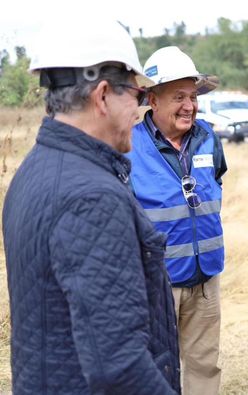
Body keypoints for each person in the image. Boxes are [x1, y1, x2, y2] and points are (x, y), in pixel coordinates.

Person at [2, 19, 180, 394]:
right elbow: (121, 366)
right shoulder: (92, 197)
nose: (140, 109)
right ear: (102, 95)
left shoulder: (35, 169)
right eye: (137, 95)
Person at [126, 46, 226, 395]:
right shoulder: (128, 147)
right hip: (156, 285)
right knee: (156, 369)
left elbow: (215, 184)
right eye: (178, 96)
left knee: (205, 364)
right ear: (152, 100)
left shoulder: (209, 138)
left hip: (206, 279)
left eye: (193, 95)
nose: (190, 105)